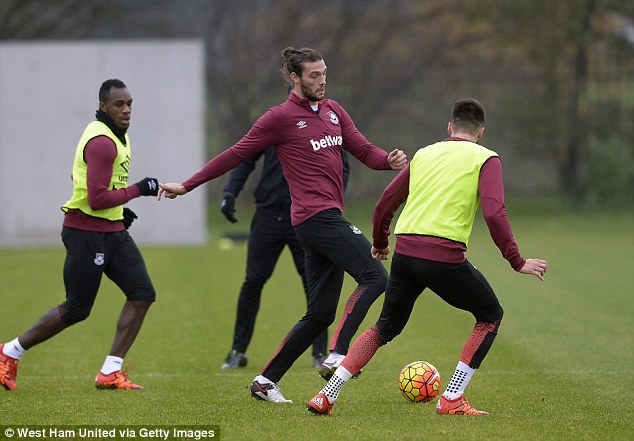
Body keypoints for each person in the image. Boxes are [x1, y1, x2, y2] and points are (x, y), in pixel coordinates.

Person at [158, 47, 407, 403]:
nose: (322, 81)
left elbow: (365, 151)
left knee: (320, 312)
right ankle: (337, 352)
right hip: (315, 218)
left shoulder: (335, 111)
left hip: (319, 220)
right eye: (313, 76)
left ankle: (265, 381)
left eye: (324, 74)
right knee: (376, 277)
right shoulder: (279, 117)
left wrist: (388, 159)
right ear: (294, 77)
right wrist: (187, 185)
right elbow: (235, 153)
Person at [307, 98, 548, 416]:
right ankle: (451, 398)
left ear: (449, 128)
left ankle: (327, 395)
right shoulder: (486, 158)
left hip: (405, 255)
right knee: (490, 316)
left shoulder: (424, 153)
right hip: (444, 258)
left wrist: (380, 243)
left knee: (383, 327)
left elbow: (384, 204)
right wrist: (516, 260)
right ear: (481, 132)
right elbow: (495, 212)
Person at [0, 79, 159, 391]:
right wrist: (138, 190)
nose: (126, 110)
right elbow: (97, 199)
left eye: (129, 104)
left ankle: (110, 371)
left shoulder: (115, 134)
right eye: (118, 105)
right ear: (103, 107)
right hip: (87, 234)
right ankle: (9, 351)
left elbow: (94, 185)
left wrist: (121, 209)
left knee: (142, 294)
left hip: (112, 231)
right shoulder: (102, 141)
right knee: (76, 309)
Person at [219, 143, 348, 370]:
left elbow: (341, 166)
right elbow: (245, 158)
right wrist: (230, 192)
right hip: (268, 215)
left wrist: (331, 200)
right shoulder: (275, 121)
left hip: (305, 215)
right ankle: (237, 352)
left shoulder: (324, 125)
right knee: (253, 281)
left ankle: (319, 354)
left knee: (314, 286)